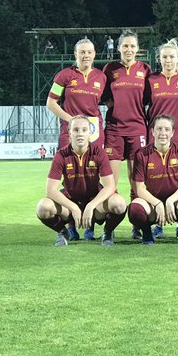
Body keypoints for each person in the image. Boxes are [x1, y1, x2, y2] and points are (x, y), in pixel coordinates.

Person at [46, 37, 107, 241]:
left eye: (89, 52)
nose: (86, 55)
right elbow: (50, 103)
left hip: (95, 132)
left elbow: (110, 101)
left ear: (94, 54)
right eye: (82, 52)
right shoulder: (64, 75)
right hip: (70, 131)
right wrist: (71, 120)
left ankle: (90, 226)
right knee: (71, 179)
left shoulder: (101, 77)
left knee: (93, 177)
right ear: (75, 55)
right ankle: (71, 224)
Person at [35, 115, 127, 247]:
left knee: (119, 203)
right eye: (76, 130)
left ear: (90, 133)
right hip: (70, 205)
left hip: (94, 206)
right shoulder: (61, 155)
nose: (80, 134)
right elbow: (50, 190)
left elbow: (110, 185)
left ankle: (107, 233)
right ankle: (62, 232)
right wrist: (73, 207)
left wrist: (91, 205)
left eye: (84, 130)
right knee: (43, 207)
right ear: (69, 133)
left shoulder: (99, 153)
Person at [145, 38, 178, 239]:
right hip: (156, 140)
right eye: (165, 57)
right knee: (156, 182)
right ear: (159, 59)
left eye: (172, 57)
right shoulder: (151, 81)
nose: (168, 60)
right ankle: (157, 222)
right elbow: (142, 104)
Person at [102, 29, 152, 239]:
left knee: (136, 180)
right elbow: (104, 96)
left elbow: (148, 99)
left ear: (137, 49)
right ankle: (110, 226)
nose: (129, 49)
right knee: (110, 182)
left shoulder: (145, 69)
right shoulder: (110, 69)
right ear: (119, 48)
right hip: (114, 129)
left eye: (132, 46)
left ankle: (137, 224)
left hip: (138, 129)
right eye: (125, 46)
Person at [128, 115, 178, 245]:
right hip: (153, 205)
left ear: (172, 133)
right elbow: (139, 188)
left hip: (176, 204)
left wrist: (171, 200)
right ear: (152, 132)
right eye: (159, 129)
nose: (162, 133)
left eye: (166, 129)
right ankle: (147, 235)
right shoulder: (141, 154)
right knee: (134, 208)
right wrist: (157, 203)